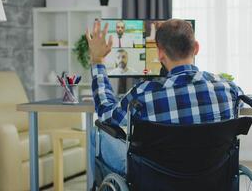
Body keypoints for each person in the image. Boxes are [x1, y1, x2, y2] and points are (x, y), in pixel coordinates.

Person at [86, 19, 242, 177]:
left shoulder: (143, 94)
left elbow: (106, 115)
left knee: (95, 134)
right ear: (196, 48)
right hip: (213, 177)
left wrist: (97, 61)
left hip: (156, 179)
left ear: (160, 53)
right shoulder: (228, 89)